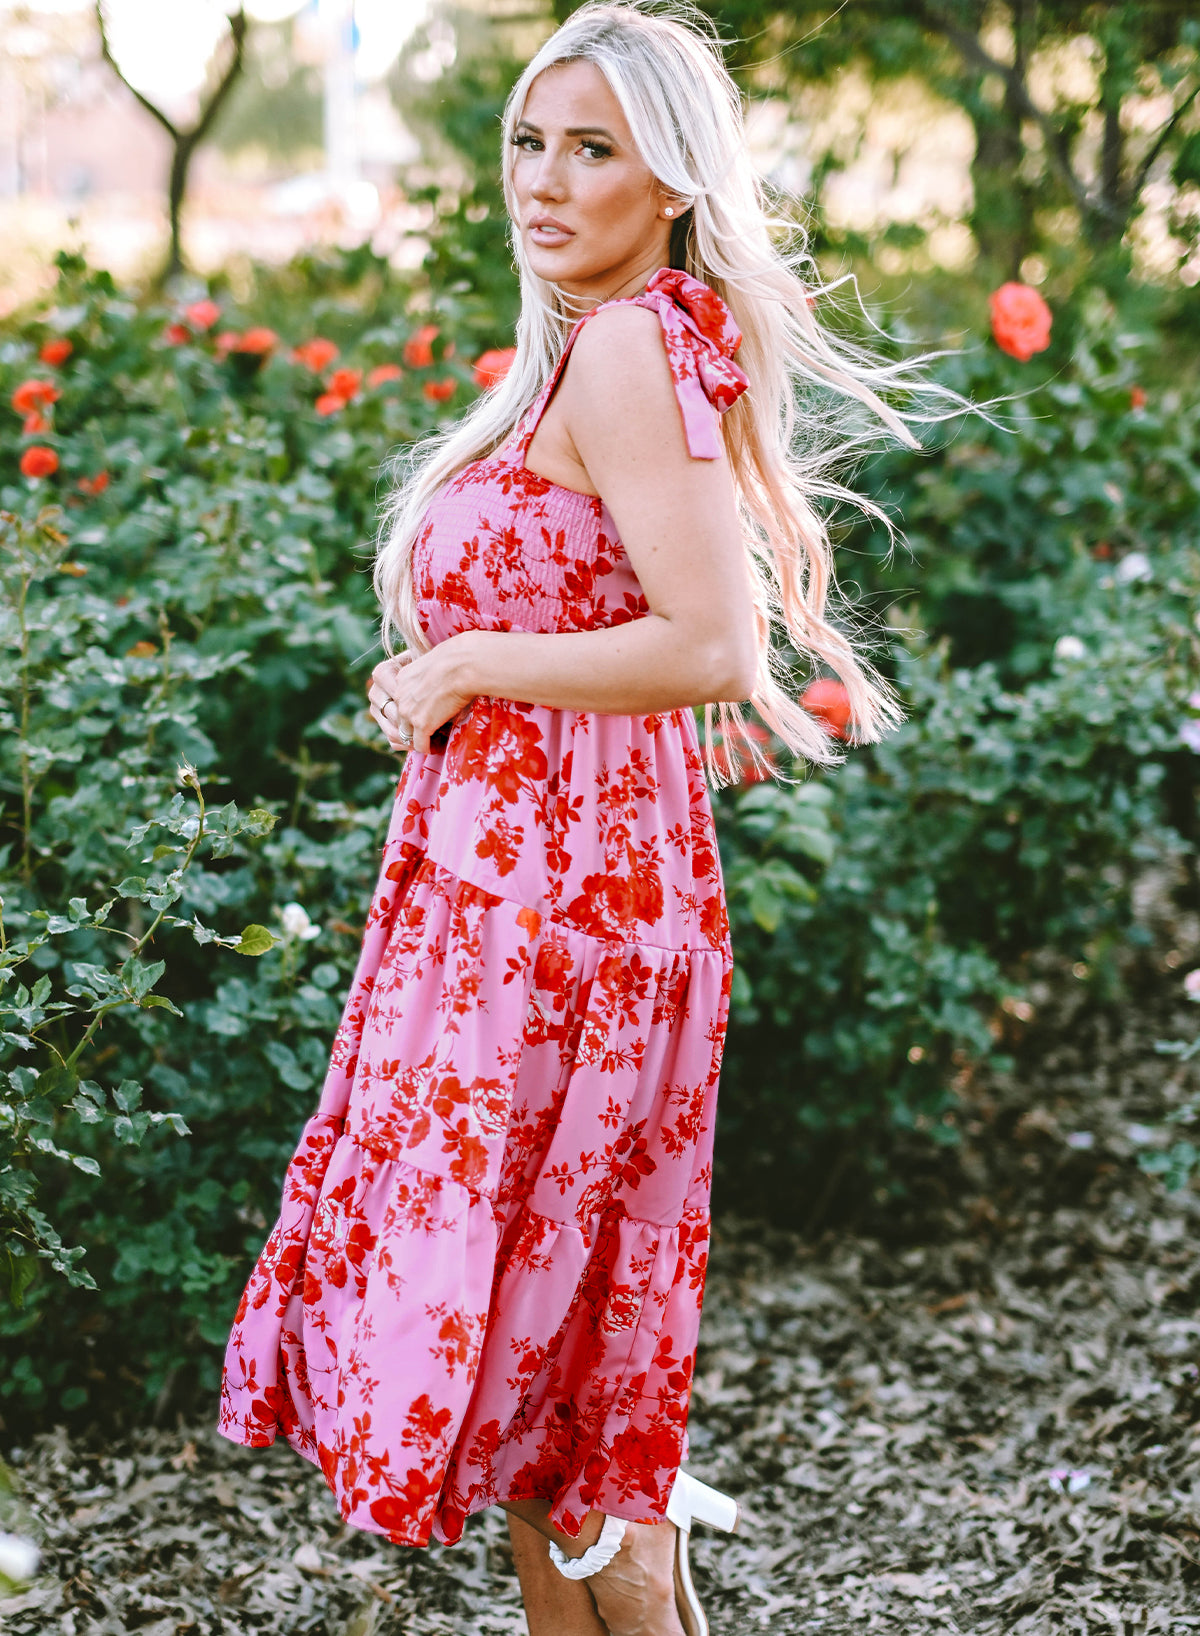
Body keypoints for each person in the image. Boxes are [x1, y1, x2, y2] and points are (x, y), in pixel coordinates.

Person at [219, 2, 938, 1631]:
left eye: (593, 150)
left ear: (672, 181)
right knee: (552, 1423)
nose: (544, 184)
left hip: (560, 922)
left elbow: (709, 646)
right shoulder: (617, 340)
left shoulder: (627, 345)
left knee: (571, 1423)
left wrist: (465, 655)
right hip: (533, 903)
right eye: (530, 144)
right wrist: (458, 684)